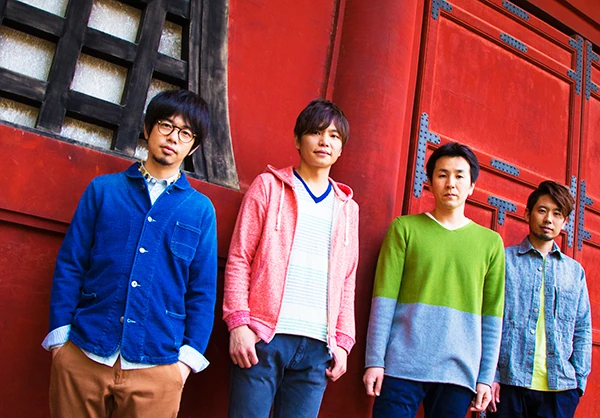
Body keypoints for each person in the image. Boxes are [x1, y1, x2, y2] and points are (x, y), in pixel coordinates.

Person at [41, 90, 218, 418]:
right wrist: (60, 341)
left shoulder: (200, 210)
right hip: (84, 353)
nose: (173, 138)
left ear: (193, 147)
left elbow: (202, 291)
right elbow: (71, 264)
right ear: (148, 128)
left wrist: (185, 363)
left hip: (158, 365)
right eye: (166, 125)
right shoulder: (103, 190)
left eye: (185, 133)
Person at [223, 98, 359, 418]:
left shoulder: (347, 208)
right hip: (263, 337)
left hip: (317, 347)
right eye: (316, 132)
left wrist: (343, 341)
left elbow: (347, 279)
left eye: (334, 136)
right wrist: (238, 323)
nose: (324, 141)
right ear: (298, 140)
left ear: (341, 148)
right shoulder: (268, 187)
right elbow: (240, 256)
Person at [363, 142, 505, 417]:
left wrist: (486, 377)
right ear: (429, 182)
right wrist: (374, 360)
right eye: (442, 175)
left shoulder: (490, 243)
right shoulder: (404, 229)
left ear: (472, 186)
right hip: (401, 366)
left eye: (459, 176)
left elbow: (492, 316)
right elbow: (383, 300)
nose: (450, 183)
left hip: (458, 372)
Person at [487, 180, 592, 418]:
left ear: (564, 222)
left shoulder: (574, 272)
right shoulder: (504, 261)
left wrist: (578, 383)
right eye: (542, 210)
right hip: (509, 384)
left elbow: (582, 328)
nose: (548, 220)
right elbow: (488, 320)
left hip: (560, 389)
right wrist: (490, 375)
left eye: (557, 214)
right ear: (528, 214)